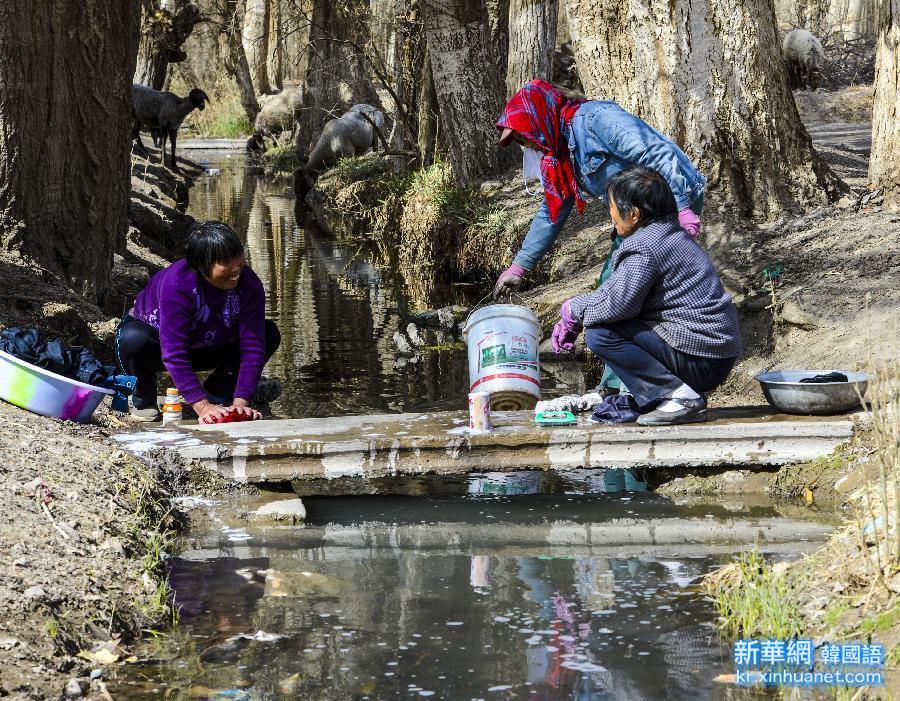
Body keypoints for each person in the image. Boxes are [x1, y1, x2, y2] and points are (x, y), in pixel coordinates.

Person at [493, 80, 706, 396]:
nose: (529, 147)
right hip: (633, 218)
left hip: (669, 202)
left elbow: (656, 152)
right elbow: (550, 212)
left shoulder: (596, 120)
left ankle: (652, 384)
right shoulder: (559, 154)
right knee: (610, 288)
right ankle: (615, 386)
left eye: (526, 137)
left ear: (539, 119)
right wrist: (519, 267)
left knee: (631, 296)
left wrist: (683, 206)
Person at [551, 167, 741, 426]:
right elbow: (614, 293)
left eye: (612, 207)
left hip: (702, 358)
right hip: (713, 356)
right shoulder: (668, 234)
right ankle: (667, 396)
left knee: (600, 334)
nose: (610, 214)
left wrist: (573, 310)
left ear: (634, 214)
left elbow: (617, 306)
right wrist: (575, 310)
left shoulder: (645, 246)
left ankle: (682, 398)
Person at [115, 220, 281, 423]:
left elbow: (252, 348)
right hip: (158, 345)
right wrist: (202, 408)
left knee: (268, 333)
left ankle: (218, 394)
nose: (237, 267)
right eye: (226, 261)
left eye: (238, 255)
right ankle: (144, 398)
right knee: (132, 339)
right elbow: (173, 352)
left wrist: (241, 405)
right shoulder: (177, 284)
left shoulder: (250, 284)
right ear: (202, 266)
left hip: (212, 344)